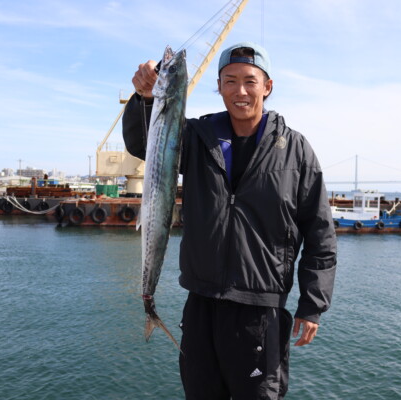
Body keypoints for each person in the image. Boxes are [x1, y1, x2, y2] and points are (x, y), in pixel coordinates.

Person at [123, 42, 337, 400]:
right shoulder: (195, 138)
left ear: (267, 87)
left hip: (260, 312)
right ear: (219, 87)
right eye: (230, 81)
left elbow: (320, 235)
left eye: (250, 81)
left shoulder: (297, 151)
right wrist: (145, 98)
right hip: (201, 303)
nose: (241, 91)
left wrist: (312, 304)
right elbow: (146, 142)